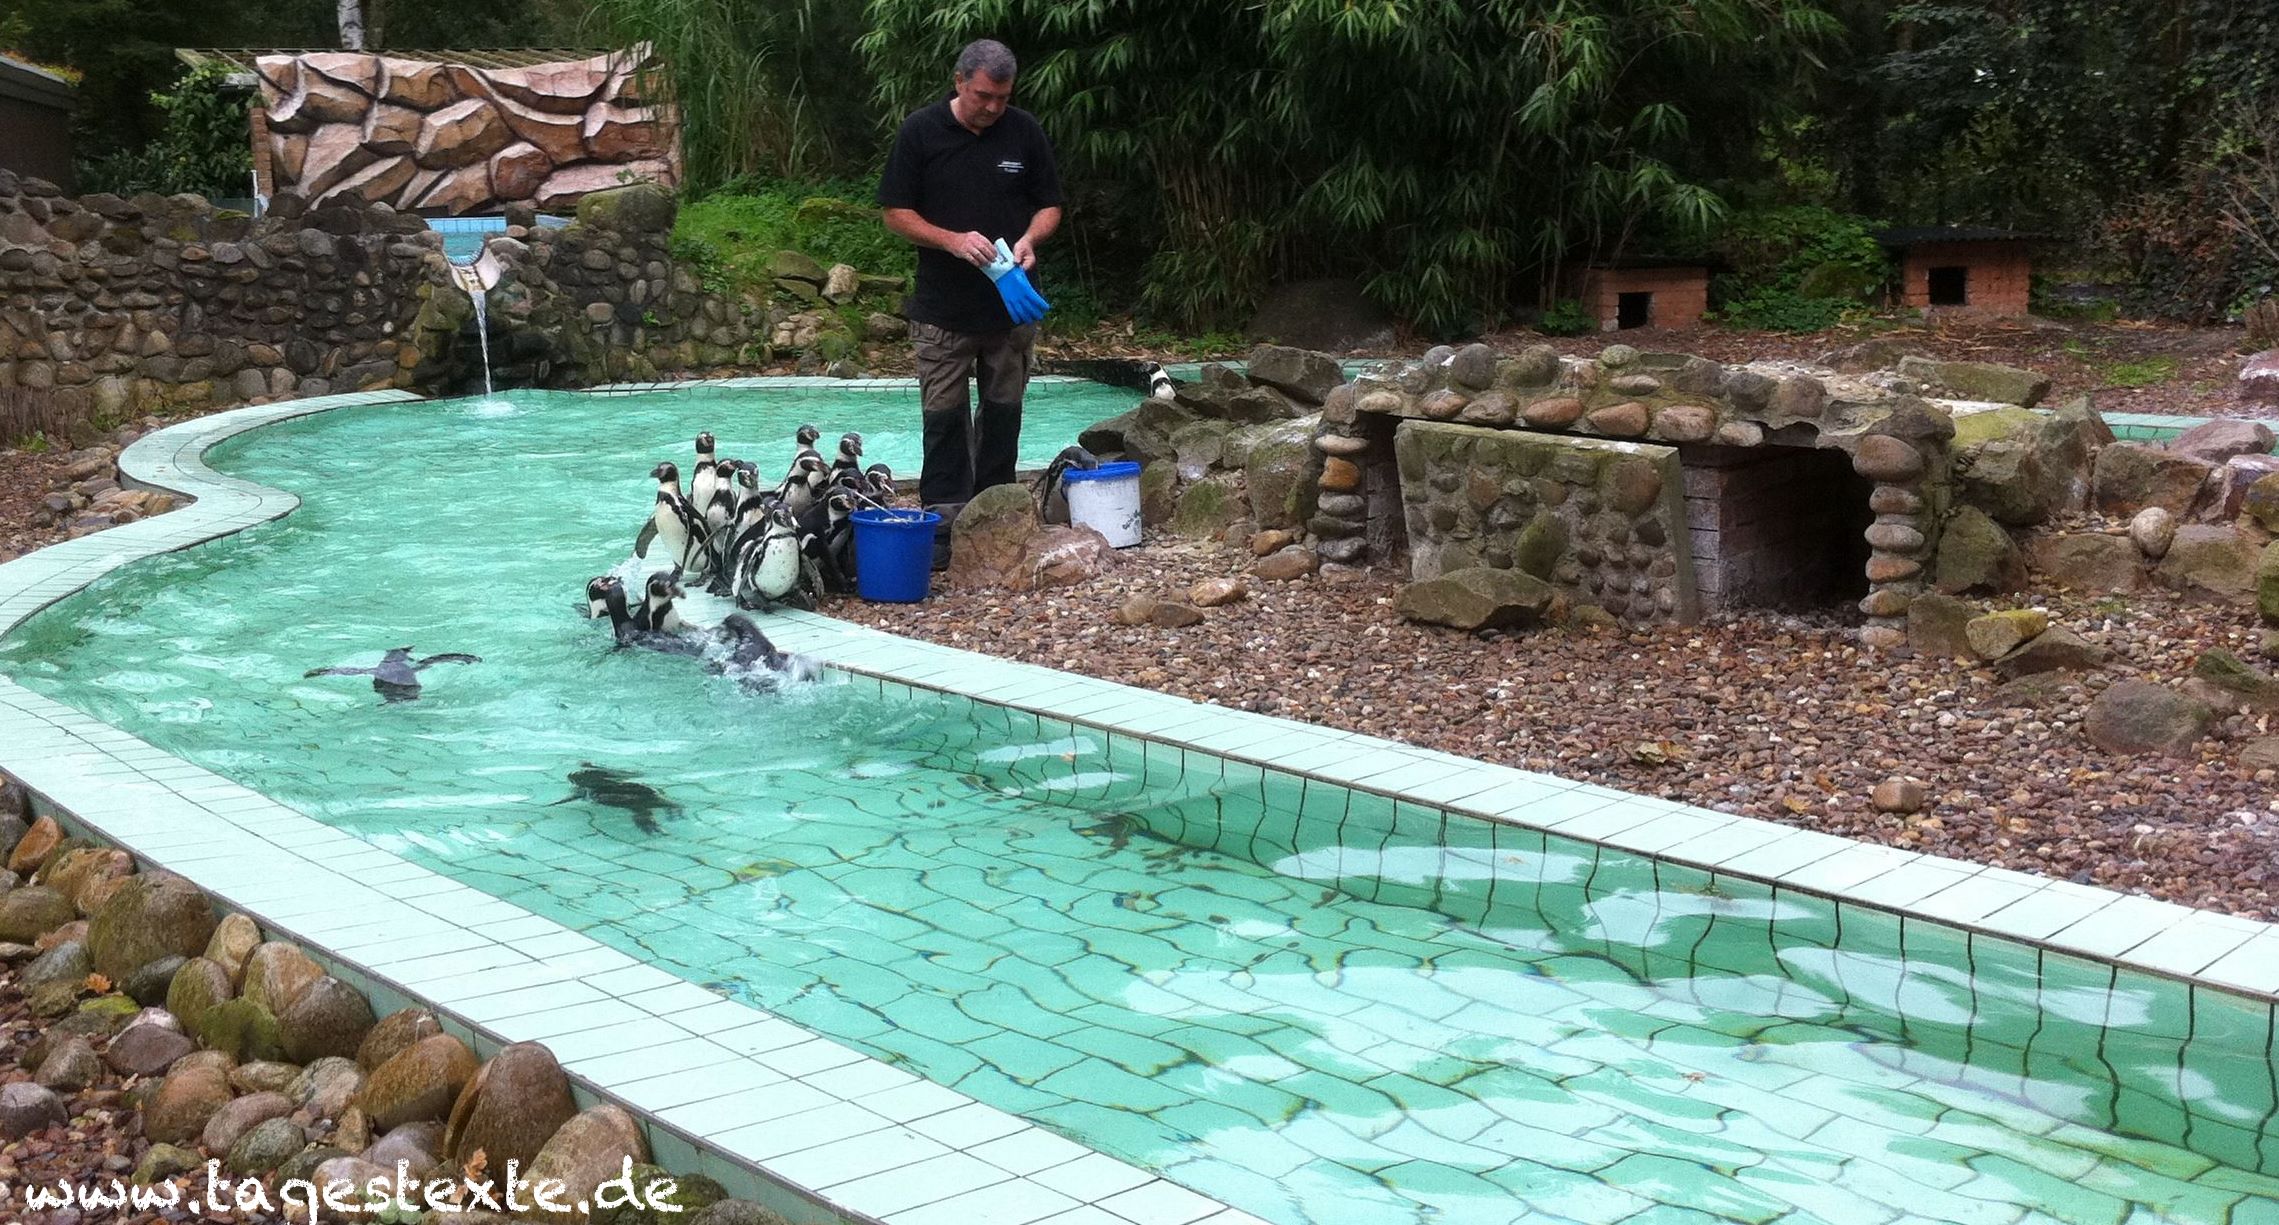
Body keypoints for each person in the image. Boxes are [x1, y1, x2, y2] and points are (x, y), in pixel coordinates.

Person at [877, 38, 1063, 568]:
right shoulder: (920, 131)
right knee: (943, 417)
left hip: (1012, 308)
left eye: (1002, 98)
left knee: (1004, 412)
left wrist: (1030, 239)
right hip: (942, 310)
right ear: (959, 82)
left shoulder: (1024, 130)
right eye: (983, 95)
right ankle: (942, 528)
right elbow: (895, 213)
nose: (993, 108)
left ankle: (998, 514)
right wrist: (952, 240)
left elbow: (1050, 205)